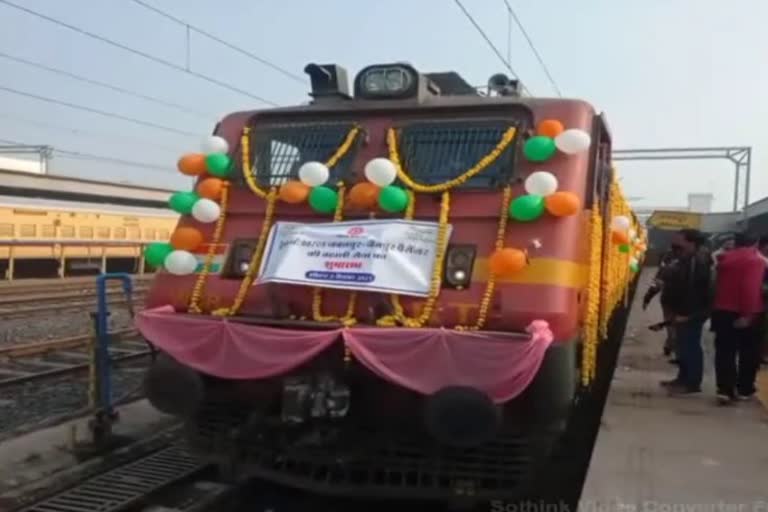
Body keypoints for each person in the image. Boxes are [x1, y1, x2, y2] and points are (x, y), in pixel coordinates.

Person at [710, 232, 765, 404]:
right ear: (755, 242)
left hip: (722, 310)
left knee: (724, 352)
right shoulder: (755, 260)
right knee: (749, 352)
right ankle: (744, 388)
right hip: (747, 311)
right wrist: (747, 315)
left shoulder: (723, 259)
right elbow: (750, 288)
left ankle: (725, 389)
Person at [659, 229, 712, 394]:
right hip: (682, 311)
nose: (675, 245)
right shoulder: (686, 259)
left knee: (690, 347)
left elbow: (697, 291)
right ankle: (682, 378)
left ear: (692, 243)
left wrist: (688, 315)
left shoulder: (699, 262)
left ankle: (692, 383)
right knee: (682, 346)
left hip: (691, 312)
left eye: (679, 241)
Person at [643, 248, 679, 360]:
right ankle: (672, 345)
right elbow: (657, 284)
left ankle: (671, 345)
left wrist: (647, 298)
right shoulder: (667, 269)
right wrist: (647, 298)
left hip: (677, 302)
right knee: (673, 326)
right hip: (671, 301)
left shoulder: (690, 266)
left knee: (674, 326)